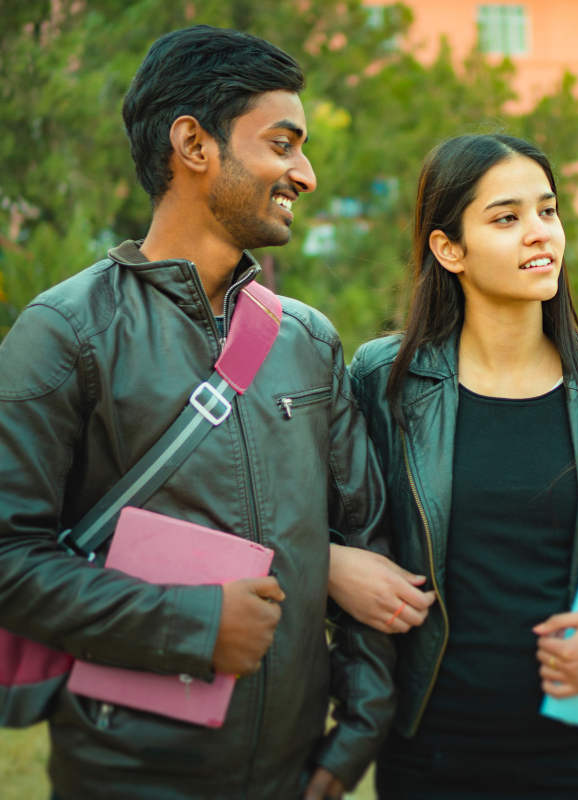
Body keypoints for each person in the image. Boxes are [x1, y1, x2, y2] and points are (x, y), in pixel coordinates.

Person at [0, 27, 401, 800]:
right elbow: (8, 555)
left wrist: (349, 744)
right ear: (192, 144)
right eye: (282, 144)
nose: (306, 174)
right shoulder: (66, 333)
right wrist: (189, 624)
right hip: (124, 779)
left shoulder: (309, 340)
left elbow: (365, 539)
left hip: (294, 776)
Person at [326, 133, 578, 800]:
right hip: (430, 752)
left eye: (548, 210)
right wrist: (330, 564)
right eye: (506, 218)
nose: (540, 233)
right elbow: (312, 517)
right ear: (449, 249)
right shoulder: (385, 379)